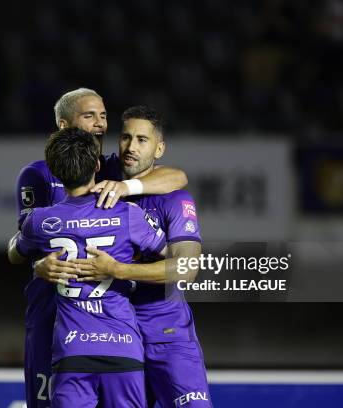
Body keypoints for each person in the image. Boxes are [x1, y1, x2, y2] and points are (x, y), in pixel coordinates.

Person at [14, 88, 188, 407]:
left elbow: (177, 177)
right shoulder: (37, 174)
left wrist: (127, 185)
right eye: (89, 115)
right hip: (50, 313)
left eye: (104, 115)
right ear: (64, 125)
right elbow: (19, 244)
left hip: (103, 317)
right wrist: (38, 266)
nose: (100, 124)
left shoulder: (109, 168)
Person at [73, 106, 212, 407]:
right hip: (113, 333)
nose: (131, 147)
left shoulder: (175, 199)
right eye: (125, 137)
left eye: (142, 140)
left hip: (166, 331)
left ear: (159, 148)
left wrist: (118, 270)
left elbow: (187, 267)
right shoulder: (102, 174)